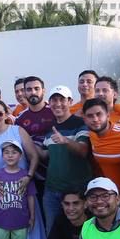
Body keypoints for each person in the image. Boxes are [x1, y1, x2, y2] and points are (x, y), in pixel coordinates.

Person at [40, 85, 91, 229]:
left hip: (77, 191)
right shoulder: (50, 128)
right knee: (52, 232)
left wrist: (66, 141)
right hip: (52, 191)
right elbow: (44, 154)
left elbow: (83, 151)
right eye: (54, 100)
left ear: (70, 102)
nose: (57, 104)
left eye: (62, 100)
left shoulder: (81, 123)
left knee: (81, 232)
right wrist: (24, 142)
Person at [82, 98, 120, 192]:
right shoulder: (91, 134)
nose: (95, 119)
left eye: (99, 114)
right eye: (90, 116)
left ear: (107, 115)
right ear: (85, 119)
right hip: (111, 194)